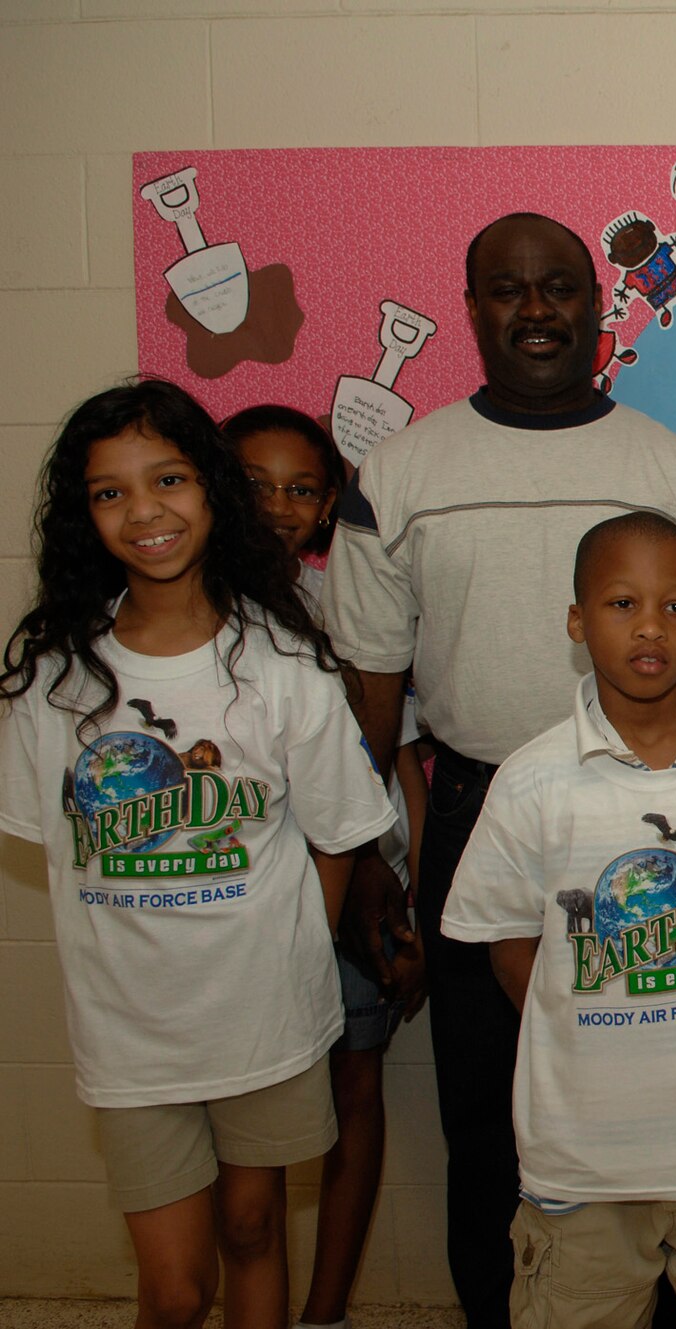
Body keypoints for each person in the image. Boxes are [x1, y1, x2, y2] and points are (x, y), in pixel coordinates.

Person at [322, 211, 676, 1327]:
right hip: (478, 807)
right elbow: (369, 698)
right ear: (473, 307)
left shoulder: (672, 467)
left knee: (671, 1090)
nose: (537, 310)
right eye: (507, 290)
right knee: (490, 1110)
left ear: (596, 304)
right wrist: (374, 862)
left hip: (664, 828)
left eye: (561, 288)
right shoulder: (402, 471)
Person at [0, 380, 395, 1329]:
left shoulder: (281, 662)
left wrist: (299, 947)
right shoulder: (53, 674)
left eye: (168, 478)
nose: (144, 511)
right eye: (109, 491)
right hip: (133, 1030)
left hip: (264, 1016)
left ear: (211, 490)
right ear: (82, 515)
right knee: (175, 1289)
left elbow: (338, 833)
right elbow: (53, 845)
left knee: (255, 1228)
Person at [441, 513, 676, 1329]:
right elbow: (509, 945)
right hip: (583, 1165)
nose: (650, 626)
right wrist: (592, 1019)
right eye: (621, 603)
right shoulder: (533, 780)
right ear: (576, 621)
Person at [222, 404, 428, 1329]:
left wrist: (410, 885)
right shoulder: (181, 617)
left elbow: (396, 761)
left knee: (352, 1086)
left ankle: (324, 1312)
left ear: (329, 503)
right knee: (241, 1123)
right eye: (253, 485)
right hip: (235, 904)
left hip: (357, 891)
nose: (275, 508)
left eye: (300, 488)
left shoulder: (340, 612)